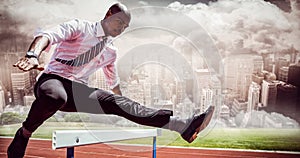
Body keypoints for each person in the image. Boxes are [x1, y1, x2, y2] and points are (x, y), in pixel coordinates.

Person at [7, 3, 215, 158]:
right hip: (52, 81)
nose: (121, 29)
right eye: (119, 22)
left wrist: (123, 105)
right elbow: (49, 35)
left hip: (78, 91)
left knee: (120, 104)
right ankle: (25, 132)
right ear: (108, 15)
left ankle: (182, 125)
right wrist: (32, 55)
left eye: (125, 27)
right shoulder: (80, 27)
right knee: (56, 95)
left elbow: (113, 82)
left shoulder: (111, 52)